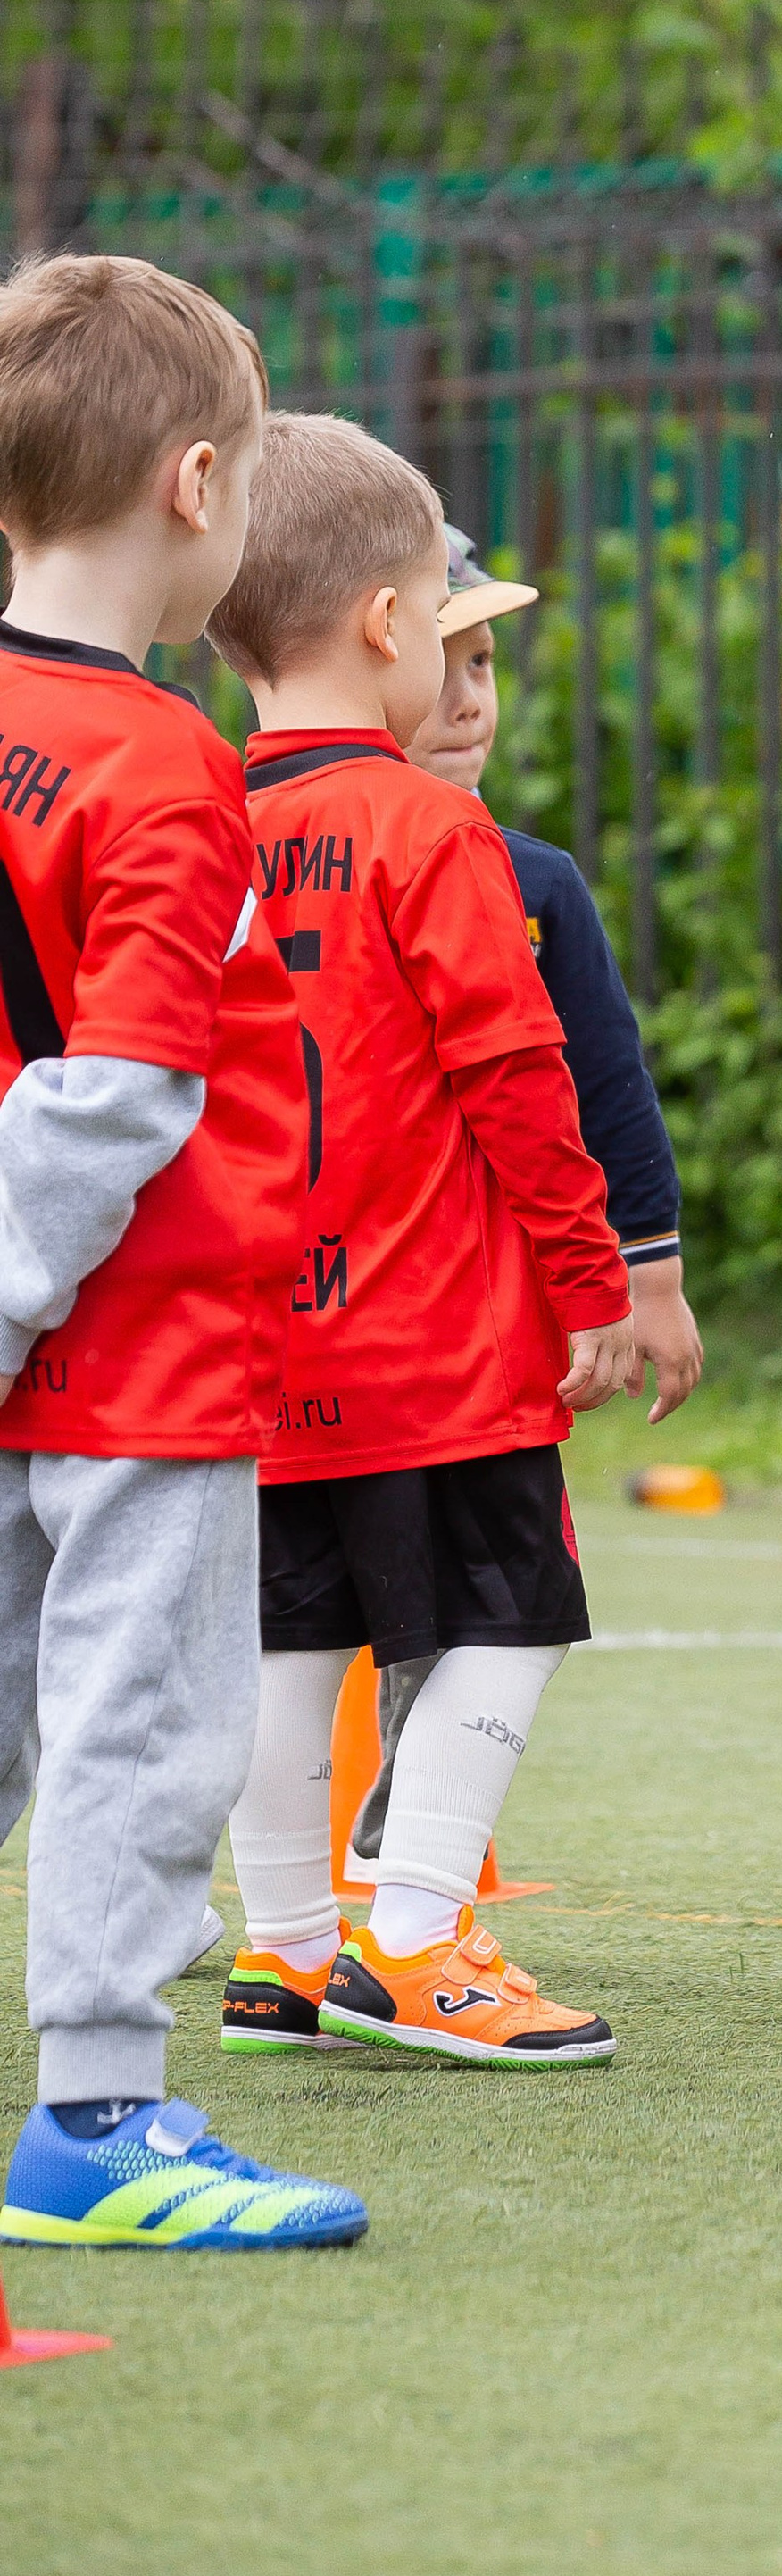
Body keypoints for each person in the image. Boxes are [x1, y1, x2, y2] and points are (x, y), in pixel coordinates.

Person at [0, 255, 367, 2252]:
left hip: (54, 1349)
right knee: (144, 1734)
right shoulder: (163, 769)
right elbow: (122, 1097)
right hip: (135, 1356)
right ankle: (95, 2130)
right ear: (197, 487)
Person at [209, 415, 637, 2068]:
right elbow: (517, 1072)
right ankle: (421, 1941)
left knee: (288, 1636)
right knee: (507, 1615)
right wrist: (590, 1275)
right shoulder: (432, 832)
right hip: (437, 1347)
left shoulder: (196, 817)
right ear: (390, 623)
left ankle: (283, 1954)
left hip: (259, 1334)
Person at [341, 528, 703, 1871]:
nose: (471, 698)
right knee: (291, 1608)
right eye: (443, 663)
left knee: (463, 1590)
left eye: (486, 663)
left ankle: (396, 1856)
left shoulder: (536, 883)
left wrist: (643, 1282)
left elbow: (605, 1097)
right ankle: (292, 1896)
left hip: (478, 1326)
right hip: (321, 1314)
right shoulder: (261, 847)